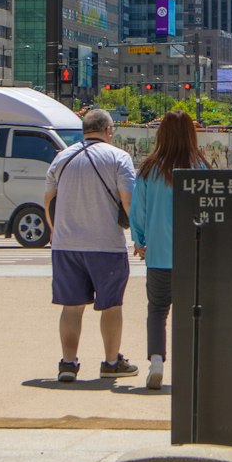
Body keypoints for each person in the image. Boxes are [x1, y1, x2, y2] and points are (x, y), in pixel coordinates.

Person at [44, 108, 138, 383]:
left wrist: (54, 231)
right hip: (106, 245)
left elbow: (48, 199)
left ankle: (68, 364)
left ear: (84, 130)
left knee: (71, 307)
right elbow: (128, 200)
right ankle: (111, 362)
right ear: (108, 131)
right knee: (111, 306)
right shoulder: (119, 157)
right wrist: (138, 236)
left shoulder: (61, 158)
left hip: (65, 245)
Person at [130, 110, 206, 390]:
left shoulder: (150, 168)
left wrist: (139, 242)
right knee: (191, 311)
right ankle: (190, 366)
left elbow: (138, 211)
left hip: (159, 254)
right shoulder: (199, 167)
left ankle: (157, 361)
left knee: (158, 309)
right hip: (193, 255)